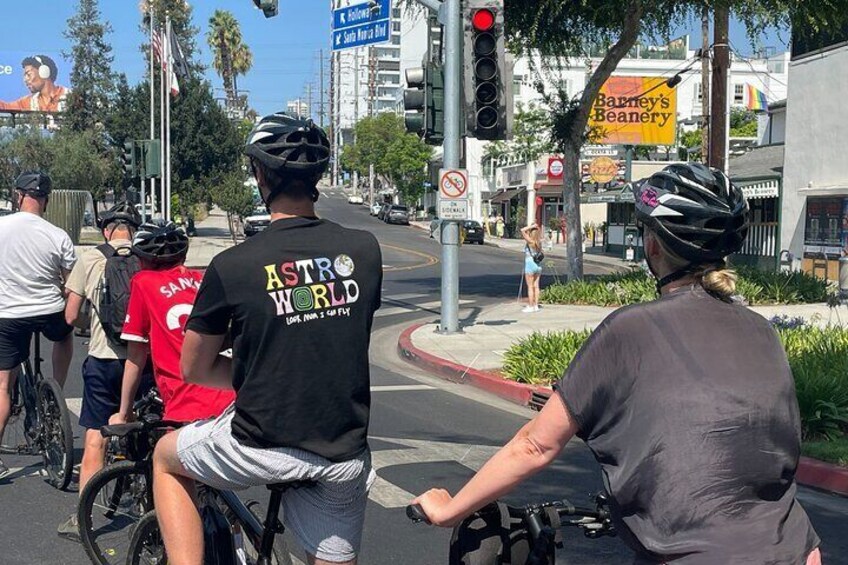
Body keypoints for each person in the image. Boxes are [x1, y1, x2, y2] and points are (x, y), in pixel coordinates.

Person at [412, 163, 822, 565]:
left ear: (653, 245)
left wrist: (450, 510)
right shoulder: (762, 332)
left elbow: (534, 445)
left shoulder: (630, 330)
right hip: (799, 550)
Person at [152, 113, 382, 565]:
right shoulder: (365, 250)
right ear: (316, 177)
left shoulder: (233, 264)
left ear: (260, 174)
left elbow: (194, 368)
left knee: (164, 457)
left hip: (261, 447)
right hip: (343, 452)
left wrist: (254, 377)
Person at [57, 202, 155, 540]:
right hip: (142, 360)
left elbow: (70, 316)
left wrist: (92, 322)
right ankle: (153, 510)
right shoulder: (147, 259)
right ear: (134, 229)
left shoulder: (90, 258)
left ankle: (84, 517)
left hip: (103, 359)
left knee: (96, 437)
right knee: (147, 433)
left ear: (106, 230)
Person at [108, 219, 234, 427]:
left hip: (188, 401)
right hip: (231, 392)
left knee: (164, 458)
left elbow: (136, 355)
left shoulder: (143, 282)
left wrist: (124, 413)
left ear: (142, 260)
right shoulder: (202, 279)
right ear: (183, 256)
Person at [0, 172, 75, 479]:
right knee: (65, 335)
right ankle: (55, 389)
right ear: (45, 200)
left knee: (2, 386)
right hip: (48, 310)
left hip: (9, 314)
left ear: (19, 196)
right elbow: (73, 285)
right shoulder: (57, 235)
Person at [0, 55, 69, 113]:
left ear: (44, 72)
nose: (25, 79)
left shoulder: (71, 96)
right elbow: (5, 107)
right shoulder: (28, 102)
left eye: (28, 74)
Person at [520, 223, 543, 313]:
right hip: (538, 265)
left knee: (530, 286)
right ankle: (536, 305)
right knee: (536, 286)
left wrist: (531, 226)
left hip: (530, 263)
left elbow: (522, 230)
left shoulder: (530, 241)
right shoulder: (538, 242)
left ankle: (530, 305)